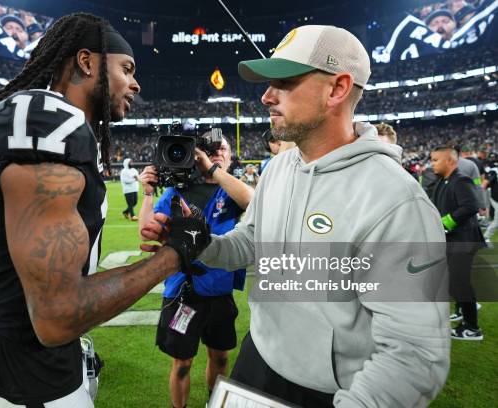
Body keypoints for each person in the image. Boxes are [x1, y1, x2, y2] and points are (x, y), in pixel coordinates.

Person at [144, 25, 450, 407]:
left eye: (283, 82)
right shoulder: (278, 168)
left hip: (329, 390)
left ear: (337, 89)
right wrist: (202, 243)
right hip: (257, 359)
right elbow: (249, 243)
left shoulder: (396, 200)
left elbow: (415, 356)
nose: (266, 96)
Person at [0, 13, 201, 407]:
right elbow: (56, 317)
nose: (135, 83)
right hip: (25, 372)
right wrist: (176, 255)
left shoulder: (41, 117)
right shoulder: (49, 121)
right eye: (126, 68)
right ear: (86, 62)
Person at [138, 135, 253, 408]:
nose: (215, 154)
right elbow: (147, 232)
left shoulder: (231, 191)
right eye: (208, 151)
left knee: (221, 357)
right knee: (182, 363)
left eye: (221, 148)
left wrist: (212, 169)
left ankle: (214, 403)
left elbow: (251, 201)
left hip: (219, 288)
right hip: (183, 290)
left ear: (230, 155)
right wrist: (148, 193)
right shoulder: (179, 190)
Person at [430, 146, 484, 340]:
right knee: (454, 281)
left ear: (451, 161)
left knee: (459, 283)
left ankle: (472, 328)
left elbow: (471, 205)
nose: (432, 163)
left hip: (464, 240)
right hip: (455, 239)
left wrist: (445, 223)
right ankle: (462, 312)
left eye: (436, 160)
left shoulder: (461, 180)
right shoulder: (444, 181)